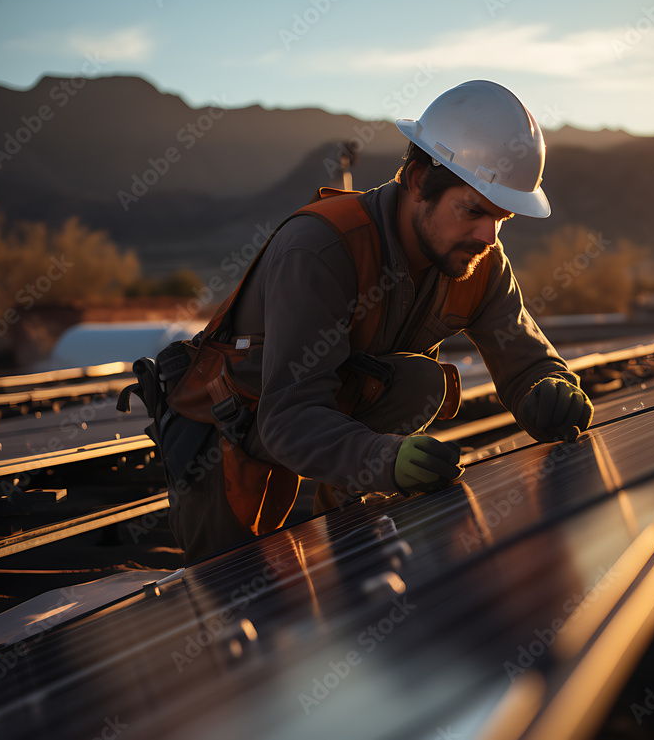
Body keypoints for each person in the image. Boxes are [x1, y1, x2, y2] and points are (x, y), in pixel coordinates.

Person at [167, 80, 593, 562]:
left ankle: (344, 519)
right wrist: (385, 460)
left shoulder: (478, 260)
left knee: (421, 382)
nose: (488, 236)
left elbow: (527, 360)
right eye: (473, 211)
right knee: (230, 587)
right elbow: (287, 417)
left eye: (502, 219)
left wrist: (547, 391)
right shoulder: (321, 249)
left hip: (337, 414)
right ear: (417, 181)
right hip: (233, 426)